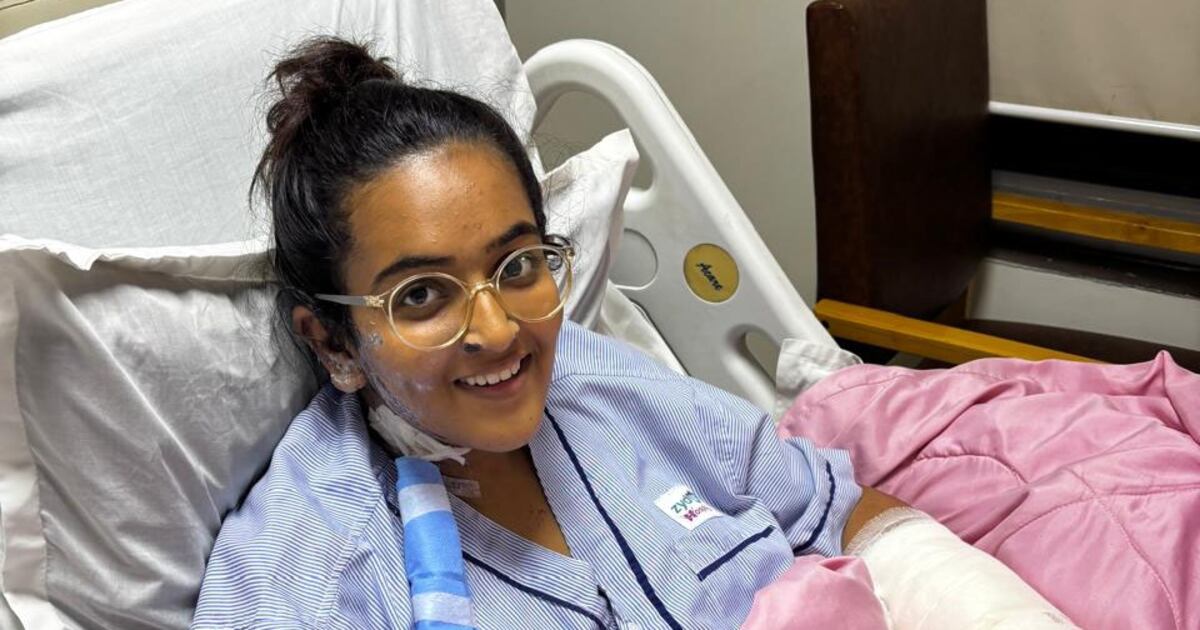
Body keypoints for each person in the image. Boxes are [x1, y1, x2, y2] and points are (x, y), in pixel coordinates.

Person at [192, 37, 1063, 630]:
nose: (497, 329)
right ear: (333, 343)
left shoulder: (607, 386)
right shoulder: (307, 570)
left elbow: (834, 506)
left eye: (518, 265)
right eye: (422, 295)